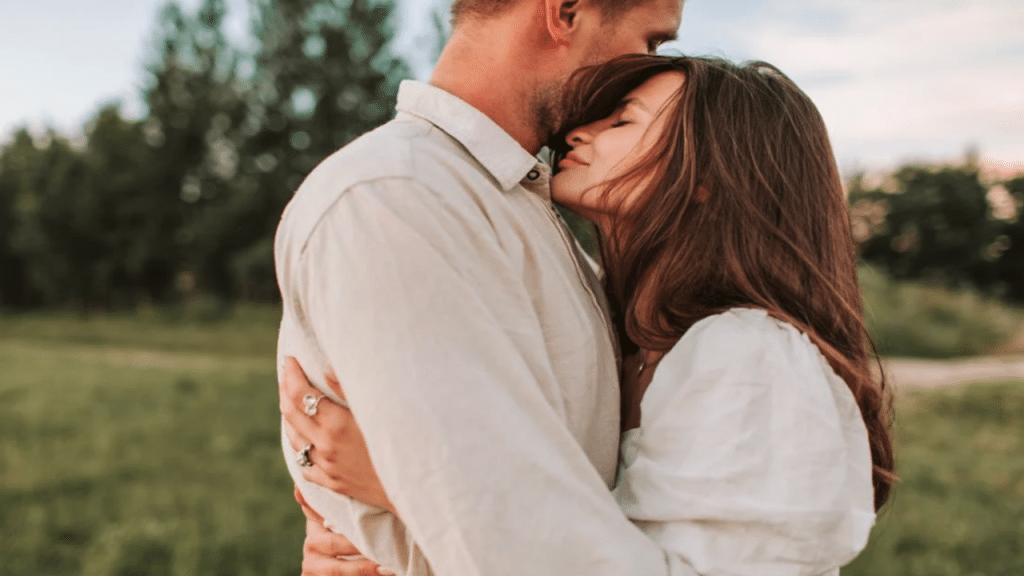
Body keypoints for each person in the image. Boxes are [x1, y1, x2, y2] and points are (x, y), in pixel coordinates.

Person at [281, 54, 897, 576]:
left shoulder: (748, 356)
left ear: (710, 176)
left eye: (623, 120)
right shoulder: (617, 328)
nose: (579, 133)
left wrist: (409, 486)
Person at [274, 0, 685, 575]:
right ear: (565, 12)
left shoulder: (515, 203)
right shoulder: (396, 197)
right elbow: (493, 535)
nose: (648, 70)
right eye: (651, 43)